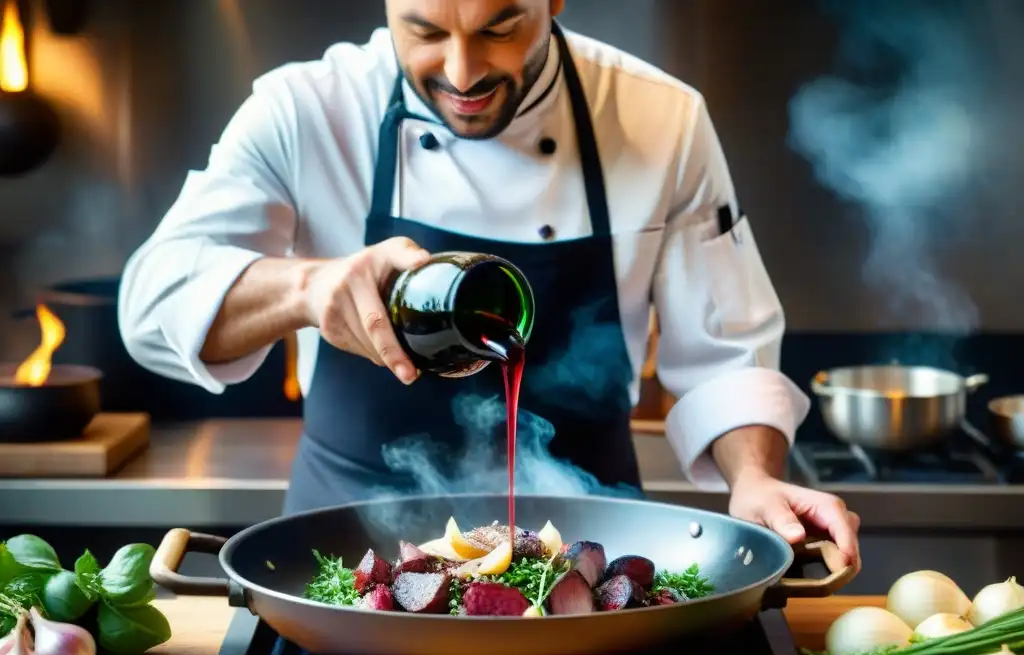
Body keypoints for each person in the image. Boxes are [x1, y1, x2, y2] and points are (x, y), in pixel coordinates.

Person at [117, 0, 861, 569]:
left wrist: (756, 480)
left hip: (591, 561)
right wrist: (308, 288)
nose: (463, 71)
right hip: (344, 562)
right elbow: (152, 307)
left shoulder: (659, 118)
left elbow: (726, 355)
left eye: (500, 28)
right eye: (426, 31)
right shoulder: (306, 109)